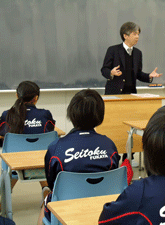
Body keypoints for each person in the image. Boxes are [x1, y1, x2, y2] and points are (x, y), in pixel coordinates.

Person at [38, 89, 120, 224]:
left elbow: (53, 184)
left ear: (71, 112)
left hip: (67, 207)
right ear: (100, 115)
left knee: (48, 200)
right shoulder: (109, 145)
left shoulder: (56, 147)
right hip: (103, 208)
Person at [0, 81, 55, 196]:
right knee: (38, 154)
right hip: (41, 163)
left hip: (14, 164)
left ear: (17, 96)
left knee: (18, 162)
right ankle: (46, 191)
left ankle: (4, 199)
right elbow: (51, 130)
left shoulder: (7, 115)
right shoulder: (45, 115)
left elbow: (1, 131)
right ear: (36, 98)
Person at [101, 21, 162, 95]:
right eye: (134, 34)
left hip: (131, 94)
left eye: (138, 34)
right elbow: (104, 69)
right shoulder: (113, 50)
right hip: (114, 94)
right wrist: (111, 72)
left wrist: (149, 76)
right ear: (125, 36)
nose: (137, 37)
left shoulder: (138, 53)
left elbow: (138, 74)